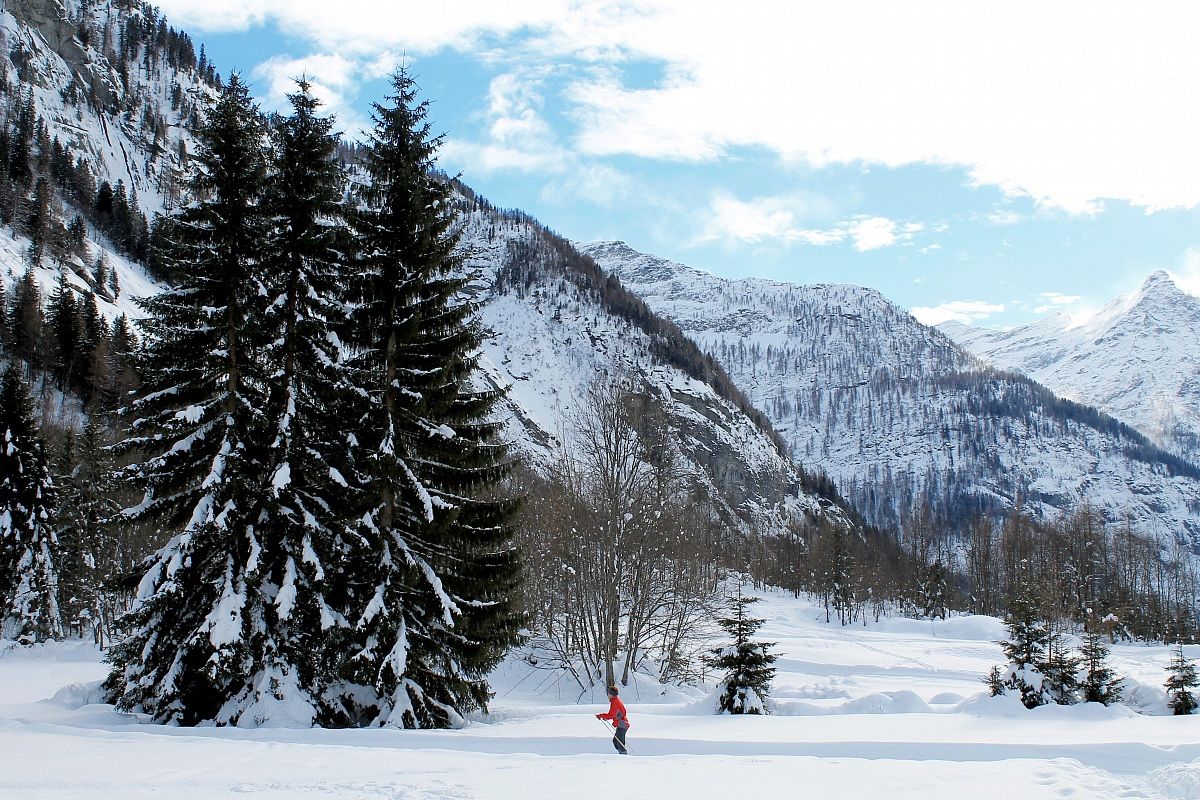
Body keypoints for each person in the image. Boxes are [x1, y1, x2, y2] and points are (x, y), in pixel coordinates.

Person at [596, 685, 630, 754]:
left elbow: (611, 715)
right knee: (615, 741)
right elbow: (614, 715)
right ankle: (622, 755)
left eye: (608, 693)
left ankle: (624, 757)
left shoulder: (615, 702)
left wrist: (601, 716)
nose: (607, 695)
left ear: (611, 694)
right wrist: (605, 717)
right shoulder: (615, 700)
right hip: (621, 724)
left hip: (622, 724)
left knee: (620, 743)